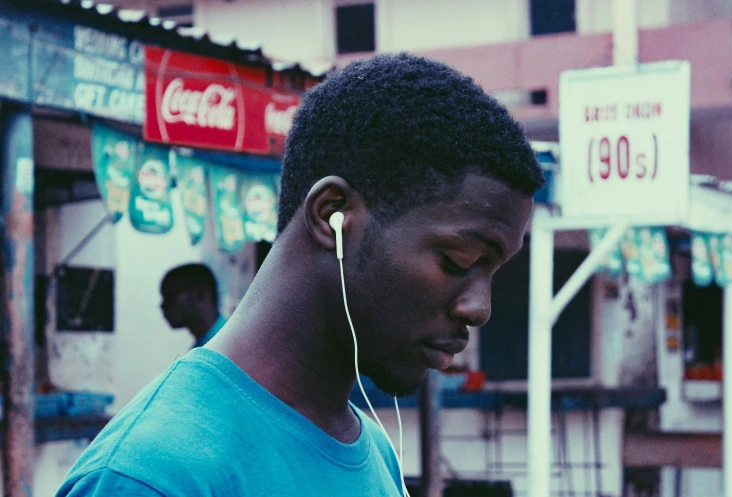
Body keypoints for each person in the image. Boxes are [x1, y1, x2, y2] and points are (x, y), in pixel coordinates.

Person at [56, 53, 544, 497]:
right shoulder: (155, 476)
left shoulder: (372, 449)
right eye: (457, 261)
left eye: (493, 272)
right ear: (333, 215)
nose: (479, 308)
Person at [159, 263, 226, 348]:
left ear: (199, 293)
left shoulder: (232, 342)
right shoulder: (204, 347)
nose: (163, 305)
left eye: (170, 297)